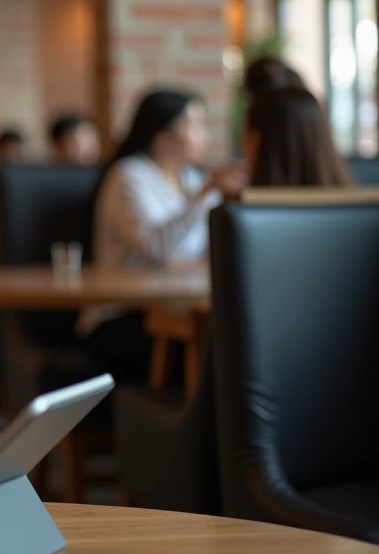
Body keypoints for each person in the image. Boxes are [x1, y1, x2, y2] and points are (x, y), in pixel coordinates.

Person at [79, 89, 247, 380]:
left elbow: (210, 252)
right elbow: (156, 248)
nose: (202, 134)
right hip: (124, 316)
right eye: (193, 125)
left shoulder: (190, 178)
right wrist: (204, 194)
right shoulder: (128, 176)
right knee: (217, 352)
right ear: (161, 136)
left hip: (177, 311)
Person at [243, 87, 354, 187]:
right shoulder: (357, 204)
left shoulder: (238, 205)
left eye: (246, 133)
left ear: (257, 140)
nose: (242, 144)